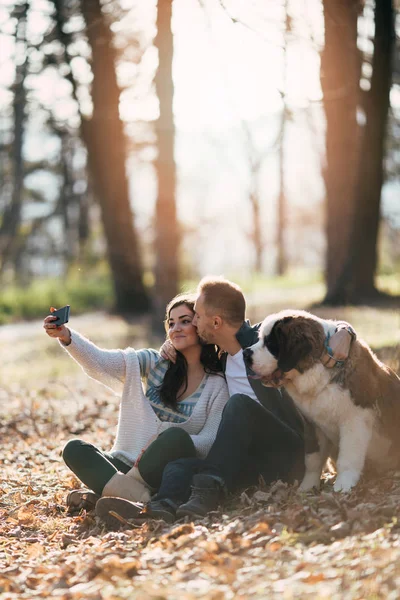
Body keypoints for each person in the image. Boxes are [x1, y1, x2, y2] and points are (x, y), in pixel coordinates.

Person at [98, 276, 354, 523]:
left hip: (291, 452)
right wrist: (169, 346)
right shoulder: (219, 360)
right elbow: (190, 355)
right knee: (178, 467)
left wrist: (346, 331)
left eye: (196, 316)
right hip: (250, 456)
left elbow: (324, 330)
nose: (194, 322)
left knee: (239, 405)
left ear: (216, 323)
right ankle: (157, 509)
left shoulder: (267, 341)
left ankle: (207, 489)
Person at [43, 294, 229, 524]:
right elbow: (101, 362)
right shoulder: (153, 362)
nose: (176, 328)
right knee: (75, 449)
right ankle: (143, 501)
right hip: (126, 461)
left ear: (201, 325)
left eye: (184, 321)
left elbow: (209, 440)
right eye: (171, 323)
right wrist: (66, 336)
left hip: (163, 470)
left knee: (176, 436)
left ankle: (113, 492)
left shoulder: (217, 384)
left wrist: (160, 443)